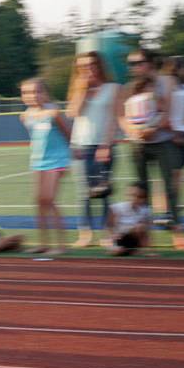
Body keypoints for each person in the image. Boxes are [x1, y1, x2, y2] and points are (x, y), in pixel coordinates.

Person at [122, 49, 184, 249]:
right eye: (131, 64)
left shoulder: (167, 81)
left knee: (171, 188)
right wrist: (132, 130)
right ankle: (145, 236)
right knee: (142, 190)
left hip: (164, 141)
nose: (134, 67)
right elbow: (121, 115)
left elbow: (168, 110)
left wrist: (154, 128)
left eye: (138, 62)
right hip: (138, 144)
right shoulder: (129, 87)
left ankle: (177, 231)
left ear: (150, 63)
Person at [66, 52, 123, 248]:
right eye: (82, 66)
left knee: (105, 192)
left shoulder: (114, 88)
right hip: (80, 146)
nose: (87, 69)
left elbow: (114, 119)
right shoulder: (78, 88)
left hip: (103, 146)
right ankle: (85, 233)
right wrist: (83, 89)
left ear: (99, 65)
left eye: (91, 64)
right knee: (84, 193)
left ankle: (108, 234)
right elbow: (73, 113)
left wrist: (106, 145)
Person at [20, 78, 70, 255]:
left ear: (45, 93)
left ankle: (61, 245)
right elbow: (33, 137)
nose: (32, 96)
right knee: (39, 201)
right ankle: (43, 243)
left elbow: (68, 135)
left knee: (49, 199)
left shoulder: (54, 113)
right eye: (26, 93)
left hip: (57, 160)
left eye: (36, 92)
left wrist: (69, 160)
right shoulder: (25, 116)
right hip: (38, 162)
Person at [161, 56, 184, 238]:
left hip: (182, 137)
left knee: (175, 180)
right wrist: (175, 132)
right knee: (173, 180)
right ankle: (170, 215)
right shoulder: (167, 87)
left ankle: (169, 214)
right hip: (172, 138)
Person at [105, 183, 152, 256]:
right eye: (133, 195)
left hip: (134, 238)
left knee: (140, 227)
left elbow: (147, 232)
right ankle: (123, 250)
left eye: (140, 197)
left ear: (144, 199)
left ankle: (135, 250)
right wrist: (111, 241)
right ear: (129, 195)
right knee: (117, 252)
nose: (135, 199)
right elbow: (109, 226)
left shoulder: (145, 210)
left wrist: (149, 249)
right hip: (120, 237)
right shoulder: (118, 207)